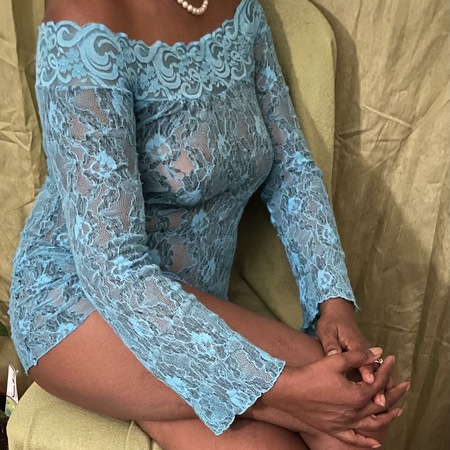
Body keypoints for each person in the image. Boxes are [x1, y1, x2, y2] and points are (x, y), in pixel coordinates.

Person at [9, 0, 409, 448]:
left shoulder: (240, 8)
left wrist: (332, 302)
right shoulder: (83, 15)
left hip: (193, 297)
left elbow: (290, 167)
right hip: (81, 301)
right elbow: (110, 264)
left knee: (360, 404)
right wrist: (277, 388)